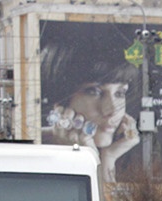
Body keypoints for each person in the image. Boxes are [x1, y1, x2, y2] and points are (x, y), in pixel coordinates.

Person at [40, 31, 141, 183]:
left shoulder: (132, 157)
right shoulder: (35, 153)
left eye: (120, 93)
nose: (112, 110)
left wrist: (108, 157)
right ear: (60, 101)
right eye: (94, 92)